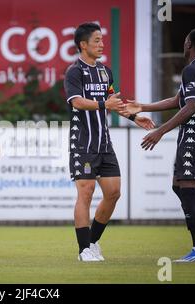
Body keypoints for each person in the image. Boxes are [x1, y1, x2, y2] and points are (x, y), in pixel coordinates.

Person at [64, 22, 155, 262]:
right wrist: (105, 104)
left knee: (114, 193)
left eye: (102, 40)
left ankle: (93, 242)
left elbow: (113, 102)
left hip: (104, 143)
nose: (101, 44)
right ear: (83, 45)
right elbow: (77, 103)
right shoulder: (74, 72)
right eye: (96, 40)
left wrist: (135, 117)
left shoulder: (105, 72)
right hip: (83, 142)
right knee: (86, 192)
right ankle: (83, 250)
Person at [124, 28, 195, 262]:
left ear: (189, 44)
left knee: (186, 186)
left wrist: (160, 131)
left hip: (194, 133)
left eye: (185, 41)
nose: (183, 44)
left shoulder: (191, 69)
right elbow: (178, 100)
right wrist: (142, 107)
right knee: (179, 185)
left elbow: (191, 106)